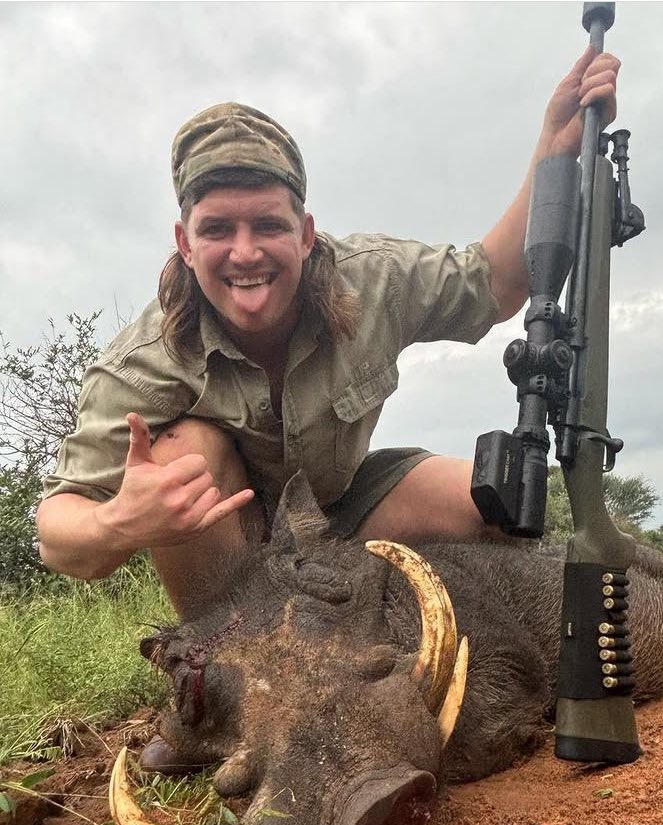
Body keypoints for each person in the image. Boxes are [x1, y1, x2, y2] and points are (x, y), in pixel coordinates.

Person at [36, 49, 618, 768]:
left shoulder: (372, 278)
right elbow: (57, 533)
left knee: (491, 505)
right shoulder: (141, 362)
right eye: (218, 229)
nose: (245, 252)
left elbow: (497, 284)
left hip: (344, 504)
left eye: (268, 225)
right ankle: (229, 693)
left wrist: (552, 144)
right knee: (183, 455)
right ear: (185, 243)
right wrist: (120, 519)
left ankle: (402, 665)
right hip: (241, 552)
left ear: (306, 233)